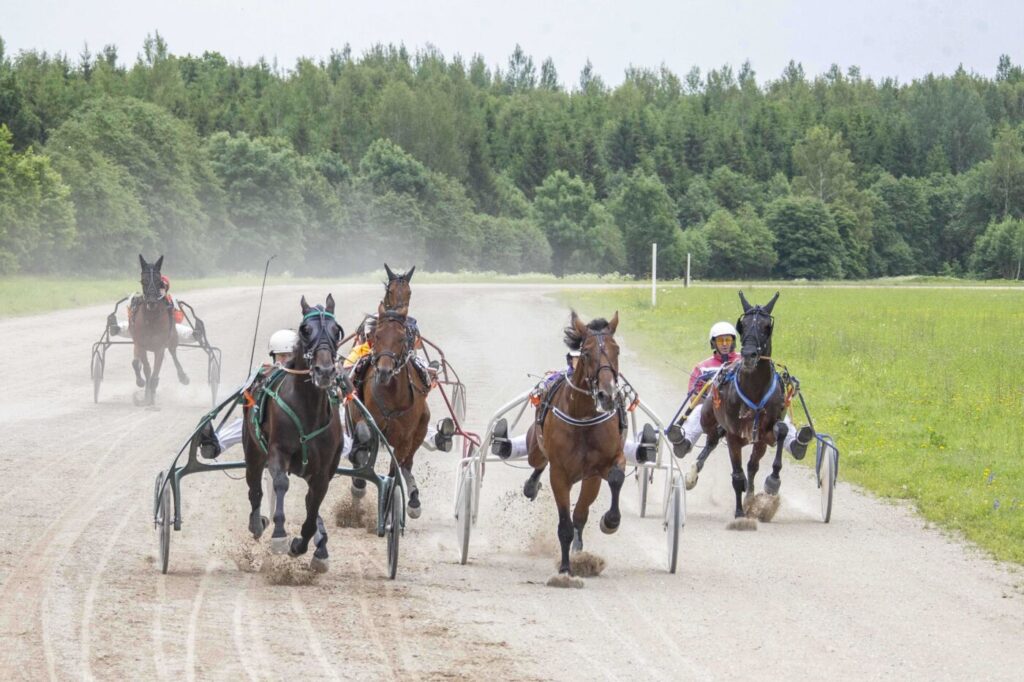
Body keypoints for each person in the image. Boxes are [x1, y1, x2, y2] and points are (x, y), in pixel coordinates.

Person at [666, 321, 812, 458]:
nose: (724, 344)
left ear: (733, 342)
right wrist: (712, 403)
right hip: (714, 410)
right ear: (713, 343)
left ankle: (794, 444)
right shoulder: (702, 367)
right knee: (699, 411)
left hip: (743, 409)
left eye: (727, 340)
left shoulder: (745, 361)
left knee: (778, 412)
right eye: (720, 341)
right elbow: (694, 397)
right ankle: (685, 442)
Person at [489, 348, 659, 464]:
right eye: (579, 359)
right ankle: (506, 447)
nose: (582, 364)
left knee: (612, 438)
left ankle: (640, 452)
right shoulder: (560, 378)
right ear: (571, 360)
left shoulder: (602, 380)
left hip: (598, 435)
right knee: (539, 435)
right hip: (561, 434)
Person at [343, 314, 454, 453]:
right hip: (362, 410)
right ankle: (435, 438)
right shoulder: (359, 353)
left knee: (414, 418)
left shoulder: (409, 360)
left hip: (397, 414)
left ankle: (437, 438)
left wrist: (430, 377)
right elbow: (345, 376)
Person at [199, 329, 299, 459]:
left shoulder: (305, 377)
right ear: (273, 356)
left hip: (299, 429)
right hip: (267, 425)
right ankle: (214, 445)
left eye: (289, 356)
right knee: (245, 424)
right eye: (282, 355)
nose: (285, 360)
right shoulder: (264, 372)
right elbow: (243, 397)